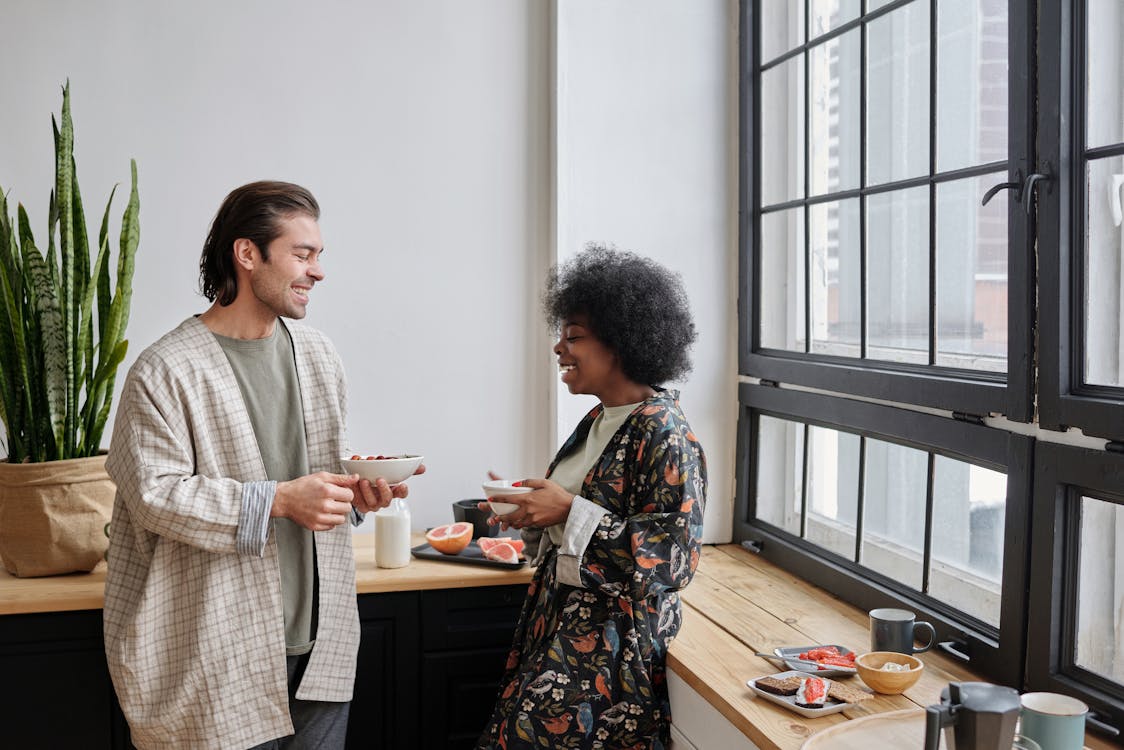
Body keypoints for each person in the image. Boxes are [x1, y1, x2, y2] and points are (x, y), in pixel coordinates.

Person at [103, 181, 420, 749]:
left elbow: (314, 480)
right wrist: (279, 500)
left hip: (320, 647)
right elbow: (154, 496)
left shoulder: (318, 354)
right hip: (215, 658)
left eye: (319, 255)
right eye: (302, 254)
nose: (317, 271)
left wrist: (356, 496)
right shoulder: (164, 371)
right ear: (247, 255)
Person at [475, 245, 706, 749]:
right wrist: (535, 512)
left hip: (612, 649)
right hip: (561, 624)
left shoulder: (663, 431)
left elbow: (675, 557)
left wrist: (566, 511)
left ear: (622, 343)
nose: (560, 349)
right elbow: (582, 513)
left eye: (574, 337)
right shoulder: (599, 418)